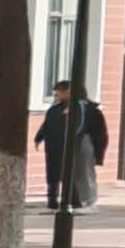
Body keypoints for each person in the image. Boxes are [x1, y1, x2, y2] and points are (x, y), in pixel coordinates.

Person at [39, 82, 106, 213]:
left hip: (83, 142)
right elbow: (48, 124)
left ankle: (88, 202)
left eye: (60, 92)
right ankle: (73, 201)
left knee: (84, 173)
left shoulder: (87, 108)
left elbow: (98, 132)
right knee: (70, 174)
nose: (56, 96)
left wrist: (98, 153)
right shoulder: (57, 108)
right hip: (63, 144)